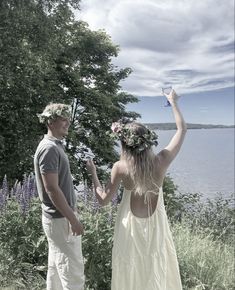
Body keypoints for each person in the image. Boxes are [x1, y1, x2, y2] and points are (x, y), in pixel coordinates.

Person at [86, 89, 186, 290]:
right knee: (155, 269)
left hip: (128, 230)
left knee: (130, 273)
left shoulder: (120, 168)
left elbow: (103, 200)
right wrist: (173, 102)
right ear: (147, 142)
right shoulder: (162, 161)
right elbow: (182, 130)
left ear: (125, 144)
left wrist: (93, 173)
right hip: (156, 230)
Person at [34, 103, 85, 290]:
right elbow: (52, 189)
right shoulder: (49, 149)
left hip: (57, 219)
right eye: (63, 119)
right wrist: (73, 219)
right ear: (51, 121)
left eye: (68, 119)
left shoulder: (53, 146)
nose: (67, 123)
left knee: (56, 271)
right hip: (61, 219)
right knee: (73, 274)